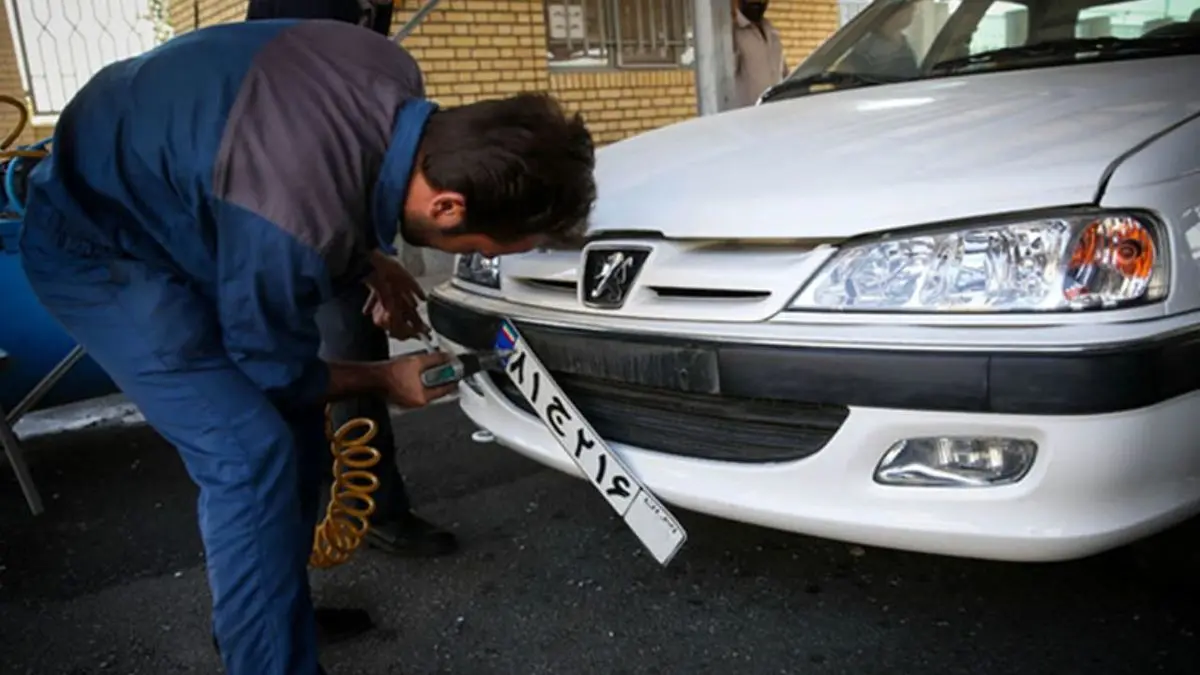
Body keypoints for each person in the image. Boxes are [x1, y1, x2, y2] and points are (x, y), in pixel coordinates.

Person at [17, 17, 595, 675]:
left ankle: (265, 613)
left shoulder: (389, 68)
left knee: (294, 432)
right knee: (245, 449)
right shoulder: (292, 228)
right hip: (100, 245)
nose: (488, 256)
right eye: (493, 249)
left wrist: (369, 258)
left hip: (184, 192)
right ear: (448, 208)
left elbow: (311, 160)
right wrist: (385, 380)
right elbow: (274, 366)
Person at [246, 0, 461, 563]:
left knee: (353, 348)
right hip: (272, 216)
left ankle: (370, 509)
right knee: (279, 389)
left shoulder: (372, 17)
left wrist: (368, 257)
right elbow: (297, 142)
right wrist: (359, 256)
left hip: (323, 212)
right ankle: (299, 540)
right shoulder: (305, 9)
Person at [841, 0, 921, 79]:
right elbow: (844, 75)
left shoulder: (902, 42)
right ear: (892, 13)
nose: (913, 10)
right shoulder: (868, 50)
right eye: (908, 6)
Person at [732, 0, 788, 108]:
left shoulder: (771, 31)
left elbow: (783, 72)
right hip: (749, 114)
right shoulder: (733, 33)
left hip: (777, 109)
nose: (757, 2)